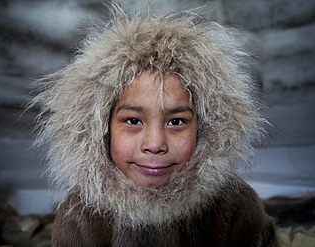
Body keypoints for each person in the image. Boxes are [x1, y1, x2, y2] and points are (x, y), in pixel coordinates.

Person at [32, 5, 279, 247]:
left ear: (206, 130)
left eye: (176, 121)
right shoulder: (79, 218)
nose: (155, 144)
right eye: (133, 121)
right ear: (100, 130)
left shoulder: (237, 210)